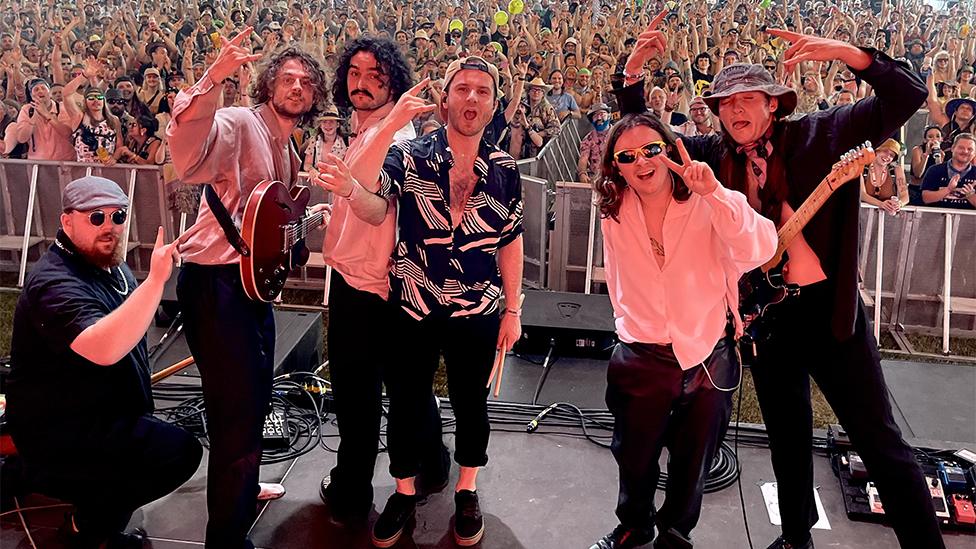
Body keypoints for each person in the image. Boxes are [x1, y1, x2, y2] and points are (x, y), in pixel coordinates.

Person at [615, 14, 944, 549]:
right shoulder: (712, 156)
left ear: (774, 104)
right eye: (725, 102)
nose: (735, 109)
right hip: (767, 323)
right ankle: (795, 539)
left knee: (879, 442)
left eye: (749, 98)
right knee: (787, 440)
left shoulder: (823, 134)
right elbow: (645, 143)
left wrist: (847, 53)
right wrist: (631, 78)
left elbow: (904, 96)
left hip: (829, 313)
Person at [317, 55, 523, 548]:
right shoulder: (411, 154)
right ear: (446, 98)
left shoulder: (504, 168)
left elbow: (511, 240)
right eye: (463, 89)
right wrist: (385, 132)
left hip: (478, 307)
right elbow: (368, 191)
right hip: (412, 303)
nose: (471, 98)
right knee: (407, 401)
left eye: (482, 91)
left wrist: (514, 310)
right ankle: (404, 492)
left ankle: (468, 490)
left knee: (471, 402)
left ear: (494, 106)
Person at [167, 29, 329, 548]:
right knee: (236, 414)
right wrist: (214, 77)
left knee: (255, 401)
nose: (297, 87)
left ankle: (239, 488)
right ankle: (226, 536)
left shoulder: (286, 147)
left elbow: (269, 231)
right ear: (267, 86)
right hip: (216, 288)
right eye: (287, 79)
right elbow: (188, 152)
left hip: (247, 290)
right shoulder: (239, 123)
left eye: (306, 82)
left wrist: (303, 230)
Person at [589, 113, 776, 549]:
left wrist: (714, 193)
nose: (642, 161)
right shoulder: (613, 209)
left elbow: (760, 247)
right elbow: (619, 276)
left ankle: (675, 533)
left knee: (694, 463)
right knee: (633, 457)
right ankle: (635, 524)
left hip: (706, 356)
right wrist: (628, 322)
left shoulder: (705, 200)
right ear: (616, 166)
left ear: (670, 149)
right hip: (641, 352)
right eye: (628, 156)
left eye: (652, 149)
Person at [6, 176, 202, 548]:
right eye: (96, 217)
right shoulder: (54, 283)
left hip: (95, 415)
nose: (109, 227)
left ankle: (27, 475)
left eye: (118, 216)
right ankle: (86, 528)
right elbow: (103, 348)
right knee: (179, 453)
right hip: (61, 430)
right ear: (67, 222)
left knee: (148, 448)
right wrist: (156, 281)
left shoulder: (110, 266)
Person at [317, 35, 449, 527]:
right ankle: (432, 465)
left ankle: (353, 488)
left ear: (394, 81)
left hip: (377, 287)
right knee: (405, 390)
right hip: (369, 280)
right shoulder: (363, 128)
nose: (362, 83)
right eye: (354, 72)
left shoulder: (398, 137)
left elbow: (371, 205)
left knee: (361, 393)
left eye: (376, 75)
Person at [13, 77, 75, 160]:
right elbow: (21, 138)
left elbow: (67, 133)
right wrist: (35, 115)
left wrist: (46, 114)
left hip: (64, 161)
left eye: (43, 88)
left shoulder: (62, 107)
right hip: (38, 162)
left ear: (49, 93)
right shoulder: (26, 110)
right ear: (31, 96)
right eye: (36, 89)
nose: (40, 91)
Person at [921, 133, 976, 209]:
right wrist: (948, 189)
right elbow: (926, 198)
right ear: (952, 148)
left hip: (968, 220)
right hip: (935, 219)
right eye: (961, 148)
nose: (965, 151)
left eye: (970, 149)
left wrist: (971, 196)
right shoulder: (934, 170)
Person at [859, 138, 909, 215]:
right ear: (877, 151)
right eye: (885, 151)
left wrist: (899, 204)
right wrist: (881, 204)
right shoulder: (862, 168)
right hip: (862, 216)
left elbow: (905, 197)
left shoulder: (896, 170)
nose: (887, 156)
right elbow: (862, 195)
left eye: (892, 155)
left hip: (887, 218)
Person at [302, 105, 346, 170]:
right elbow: (307, 165)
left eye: (331, 121)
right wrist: (312, 170)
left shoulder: (347, 142)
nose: (328, 125)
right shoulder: (314, 141)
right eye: (324, 122)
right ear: (320, 125)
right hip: (317, 179)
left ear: (338, 125)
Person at [578, 102, 611, 184]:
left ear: (609, 116)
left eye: (602, 114)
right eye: (595, 115)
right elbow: (583, 158)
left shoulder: (618, 134)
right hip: (597, 179)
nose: (599, 118)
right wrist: (582, 173)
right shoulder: (588, 139)